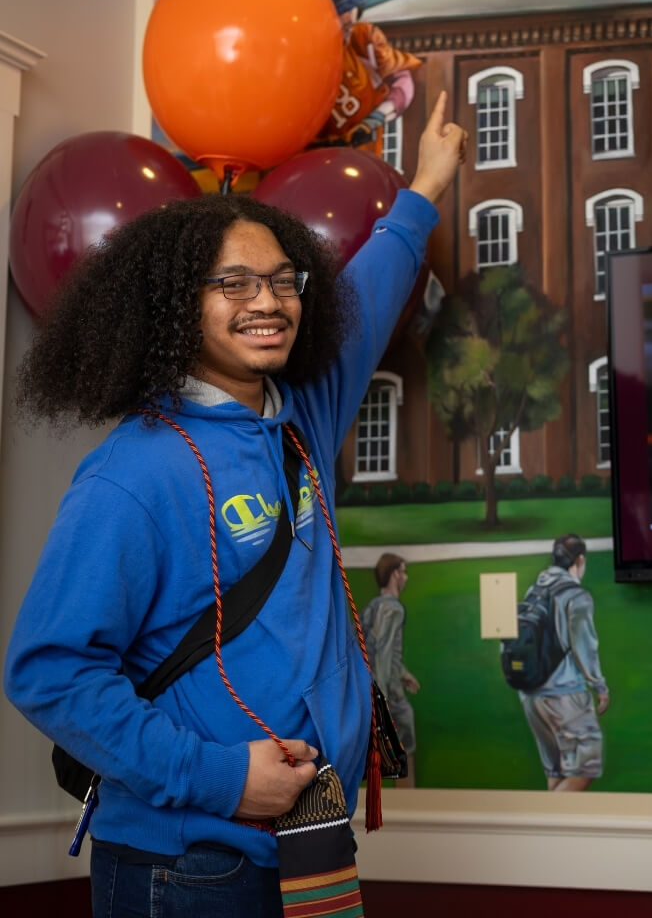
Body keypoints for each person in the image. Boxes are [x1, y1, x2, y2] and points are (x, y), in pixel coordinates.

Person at [3, 95, 466, 917]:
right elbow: (50, 673)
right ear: (177, 305)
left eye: (285, 281)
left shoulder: (296, 423)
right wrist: (220, 777)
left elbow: (366, 294)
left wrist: (425, 187)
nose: (271, 301)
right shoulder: (133, 475)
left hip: (312, 841)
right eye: (235, 284)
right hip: (187, 866)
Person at [518, 534, 609, 792]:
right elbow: (585, 647)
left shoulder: (534, 589)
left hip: (531, 696)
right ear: (580, 560)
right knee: (585, 768)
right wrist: (599, 687)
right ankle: (540, 826)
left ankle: (551, 829)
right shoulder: (576, 595)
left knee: (557, 771)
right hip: (564, 696)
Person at [310, 0, 421, 156]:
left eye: (351, 8)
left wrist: (376, 118)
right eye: (340, 11)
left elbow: (403, 80)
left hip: (366, 159)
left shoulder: (364, 39)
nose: (348, 18)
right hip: (317, 163)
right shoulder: (305, 59)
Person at [360, 553, 420, 787]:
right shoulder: (393, 609)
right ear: (395, 573)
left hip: (381, 684)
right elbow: (382, 653)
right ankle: (409, 801)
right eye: (403, 571)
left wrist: (403, 673)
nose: (405, 577)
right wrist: (381, 698)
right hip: (387, 692)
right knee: (404, 747)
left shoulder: (374, 606)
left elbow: (374, 646)